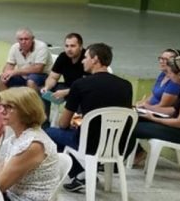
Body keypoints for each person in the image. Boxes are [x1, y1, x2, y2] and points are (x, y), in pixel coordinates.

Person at [44, 43, 133, 190]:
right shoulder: (126, 85)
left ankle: (79, 174)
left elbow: (63, 123)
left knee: (50, 133)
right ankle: (84, 173)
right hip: (117, 144)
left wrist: (75, 123)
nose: (83, 61)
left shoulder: (81, 84)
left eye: (86, 57)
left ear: (95, 59)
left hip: (89, 143)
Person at [0, 87, 61, 201]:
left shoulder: (32, 144)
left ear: (26, 111)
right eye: (1, 105)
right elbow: (0, 171)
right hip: (16, 198)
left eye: (9, 107)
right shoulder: (20, 136)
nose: (1, 110)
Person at [129, 56, 180, 162]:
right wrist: (149, 108)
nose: (167, 76)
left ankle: (128, 157)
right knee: (134, 119)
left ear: (179, 75)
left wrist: (154, 119)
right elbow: (173, 110)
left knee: (132, 128)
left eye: (169, 73)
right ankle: (132, 154)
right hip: (179, 128)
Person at [41, 33, 88, 101]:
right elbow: (53, 77)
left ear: (80, 47)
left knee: (80, 94)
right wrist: (47, 88)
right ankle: (44, 111)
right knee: (46, 92)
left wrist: (66, 92)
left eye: (72, 46)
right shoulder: (63, 56)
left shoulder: (87, 58)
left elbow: (86, 85)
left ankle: (75, 111)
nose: (69, 49)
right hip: (67, 86)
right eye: (66, 46)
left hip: (82, 89)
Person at [136, 48, 180, 113]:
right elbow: (153, 95)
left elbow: (163, 106)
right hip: (149, 110)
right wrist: (140, 104)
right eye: (161, 58)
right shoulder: (163, 74)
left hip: (159, 114)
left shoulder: (175, 81)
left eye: (166, 59)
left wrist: (146, 107)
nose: (161, 61)